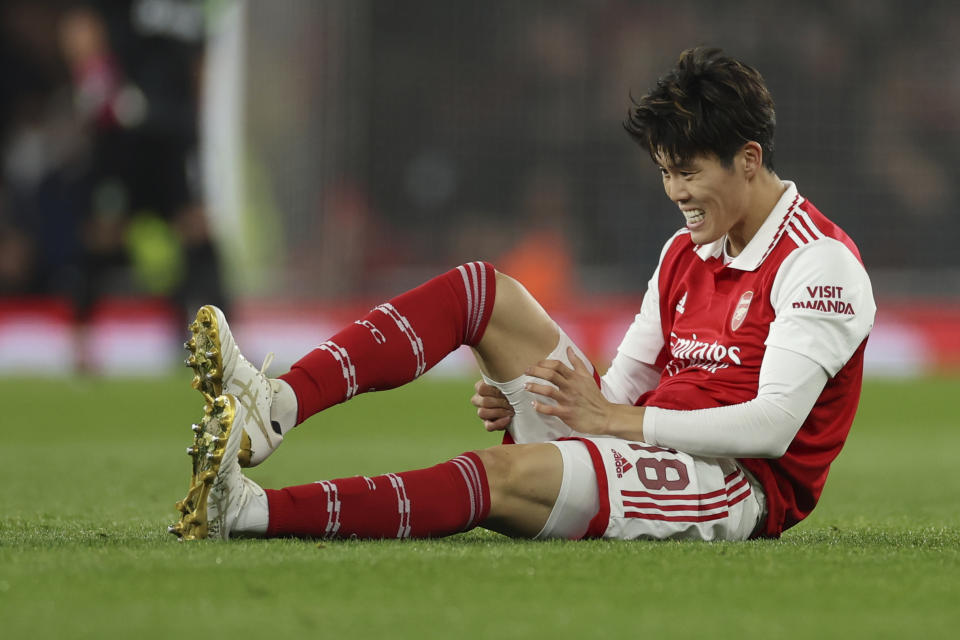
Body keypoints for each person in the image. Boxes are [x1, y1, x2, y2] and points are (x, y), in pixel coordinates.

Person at [169, 47, 875, 543]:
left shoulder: (818, 265)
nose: (676, 194)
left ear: (748, 159)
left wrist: (616, 422)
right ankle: (277, 405)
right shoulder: (684, 250)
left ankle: (250, 512)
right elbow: (625, 384)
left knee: (502, 477)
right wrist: (536, 397)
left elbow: (771, 428)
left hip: (734, 486)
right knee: (483, 291)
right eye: (665, 172)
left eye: (687, 172)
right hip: (650, 440)